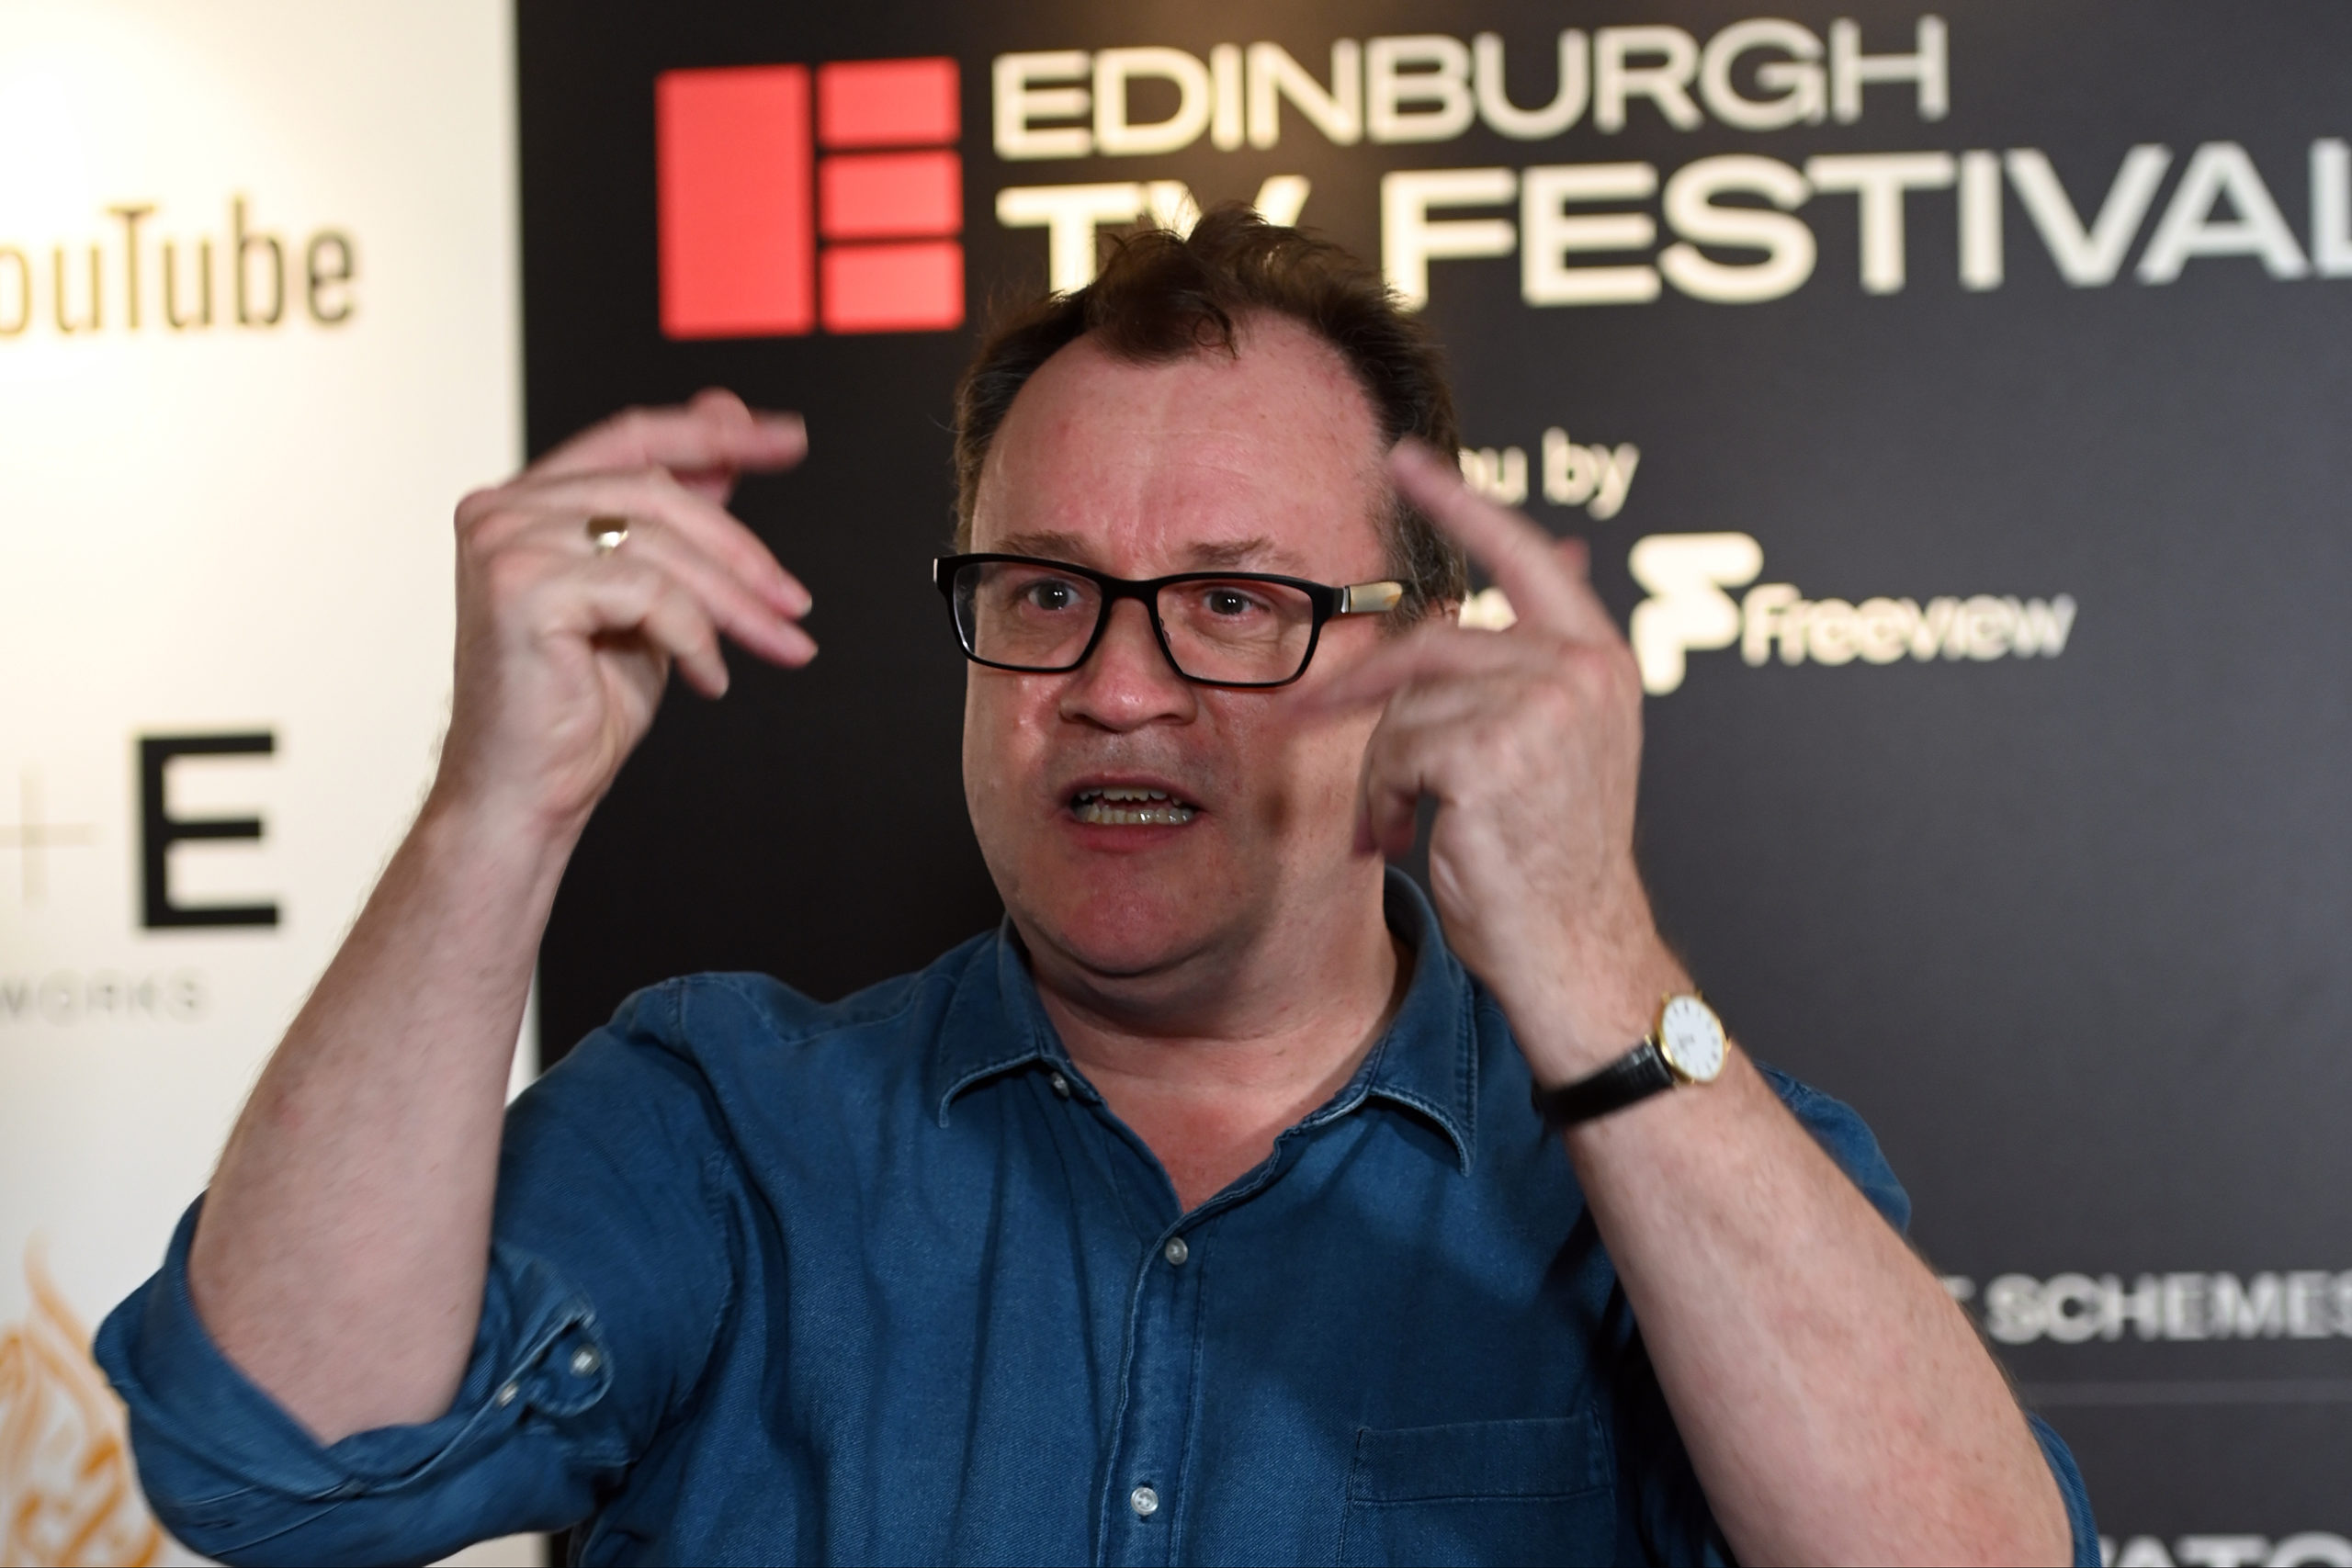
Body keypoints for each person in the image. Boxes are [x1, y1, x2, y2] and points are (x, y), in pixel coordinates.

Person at [99, 210, 2094, 1566]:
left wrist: (1589, 962)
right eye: (1044, 591)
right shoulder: (727, 1118)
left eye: (1232, 598)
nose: (1116, 685)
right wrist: (491, 815)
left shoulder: (1644, 1156)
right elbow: (270, 1453)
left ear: (1428, 639)